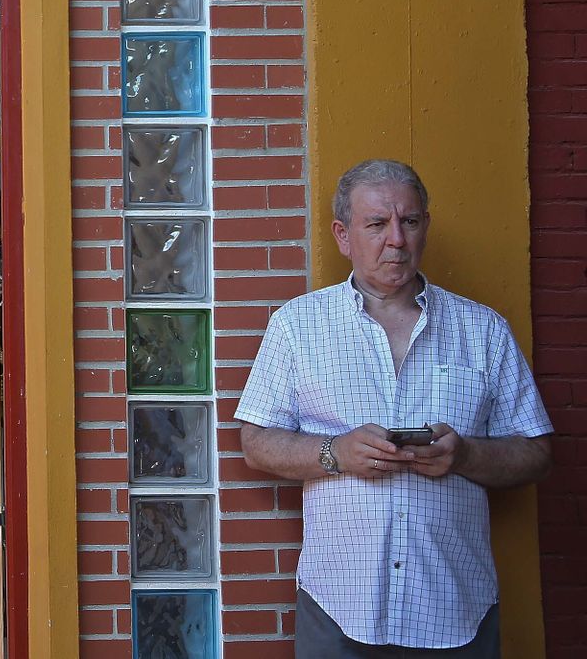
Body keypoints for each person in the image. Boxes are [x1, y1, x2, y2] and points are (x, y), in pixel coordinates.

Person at [236, 159, 552, 657]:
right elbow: (255, 443)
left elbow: (536, 452)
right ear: (343, 236)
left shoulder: (483, 330)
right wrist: (335, 453)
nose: (397, 240)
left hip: (456, 606)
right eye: (377, 224)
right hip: (339, 607)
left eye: (409, 221)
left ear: (425, 226)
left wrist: (464, 456)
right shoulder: (296, 327)